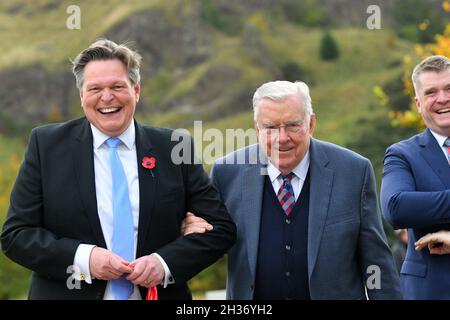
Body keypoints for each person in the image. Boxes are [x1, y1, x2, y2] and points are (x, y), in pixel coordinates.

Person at [0, 39, 236, 300]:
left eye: (117, 86)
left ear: (136, 90)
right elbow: (16, 236)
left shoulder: (174, 147)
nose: (107, 97)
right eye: (95, 88)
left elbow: (220, 230)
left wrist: (164, 263)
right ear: (81, 96)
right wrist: (85, 259)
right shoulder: (46, 146)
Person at [183, 80, 402, 299]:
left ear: (311, 124)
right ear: (257, 128)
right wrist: (189, 231)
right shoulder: (226, 173)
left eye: (292, 125)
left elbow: (376, 262)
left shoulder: (353, 171)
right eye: (270, 127)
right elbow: (209, 240)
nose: (282, 138)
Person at [381, 55, 450, 300]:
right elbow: (397, 208)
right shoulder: (402, 154)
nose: (443, 98)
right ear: (419, 104)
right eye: (431, 92)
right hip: (432, 290)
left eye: (449, 88)